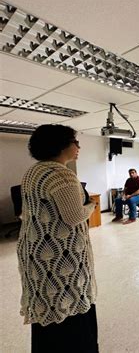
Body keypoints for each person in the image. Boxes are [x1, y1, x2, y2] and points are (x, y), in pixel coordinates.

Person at [18, 124, 99, 352]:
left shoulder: (33, 172)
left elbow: (27, 212)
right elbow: (74, 217)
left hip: (36, 250)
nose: (78, 146)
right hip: (60, 256)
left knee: (49, 311)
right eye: (76, 141)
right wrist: (91, 206)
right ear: (62, 145)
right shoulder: (62, 174)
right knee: (70, 308)